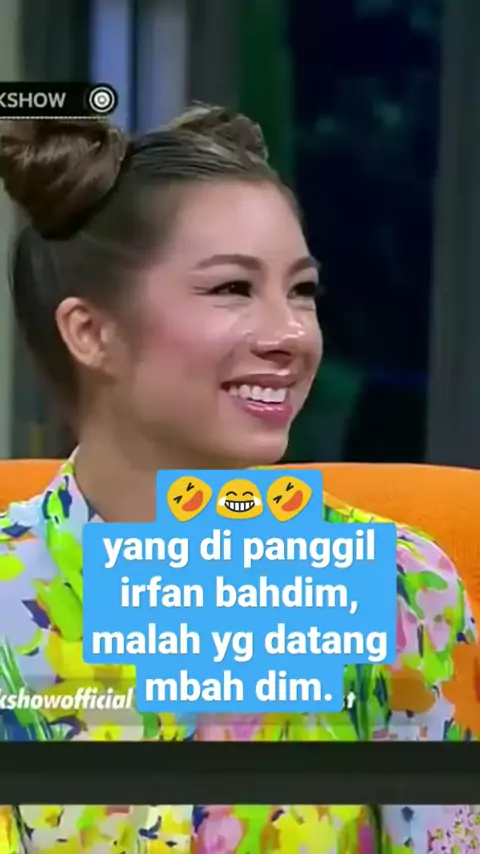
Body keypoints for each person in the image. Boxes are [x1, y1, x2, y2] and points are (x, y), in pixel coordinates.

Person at [0, 107, 477, 854]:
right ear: (91, 333)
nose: (290, 335)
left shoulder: (399, 587)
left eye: (302, 291)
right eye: (231, 288)